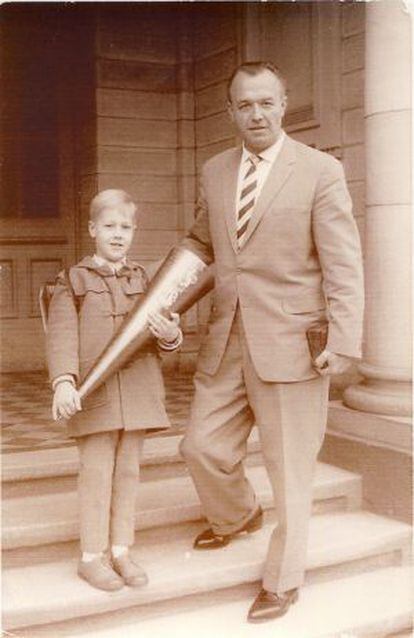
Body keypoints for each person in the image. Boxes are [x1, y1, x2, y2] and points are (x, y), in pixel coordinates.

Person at [180, 61, 364, 622]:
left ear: (283, 105)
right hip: (226, 339)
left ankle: (283, 582)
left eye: (266, 102)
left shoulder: (319, 171)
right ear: (230, 111)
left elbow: (343, 262)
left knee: (290, 473)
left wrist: (346, 337)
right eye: (244, 104)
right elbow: (198, 244)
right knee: (200, 447)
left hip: (292, 341)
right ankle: (237, 516)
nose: (255, 113)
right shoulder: (213, 170)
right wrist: (159, 307)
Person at [46, 189, 182, 591]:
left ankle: (121, 550)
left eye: (125, 227)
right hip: (96, 394)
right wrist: (64, 382)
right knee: (96, 472)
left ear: (134, 231)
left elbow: (166, 336)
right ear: (92, 230)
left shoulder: (146, 280)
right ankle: (92, 556)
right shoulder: (72, 280)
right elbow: (61, 336)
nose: (118, 234)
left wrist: (171, 334)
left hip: (138, 392)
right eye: (109, 226)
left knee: (128, 472)